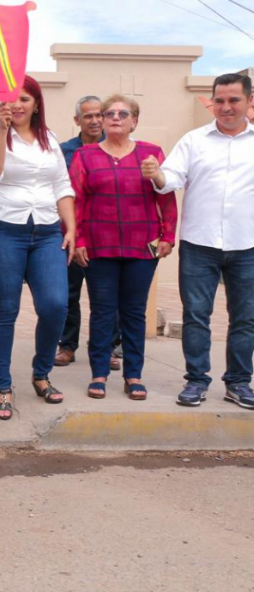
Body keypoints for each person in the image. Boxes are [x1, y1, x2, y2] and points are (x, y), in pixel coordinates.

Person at [142, 73, 254, 410]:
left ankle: (238, 382)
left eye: (233, 100)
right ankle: (196, 381)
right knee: (196, 316)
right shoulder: (194, 140)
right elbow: (170, 178)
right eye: (219, 100)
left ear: (249, 101)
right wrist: (157, 173)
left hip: (247, 245)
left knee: (246, 318)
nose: (225, 107)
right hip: (199, 244)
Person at [0, 76, 75, 420]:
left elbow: (62, 184)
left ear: (36, 104)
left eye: (25, 99)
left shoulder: (50, 140)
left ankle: (41, 373)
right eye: (11, 99)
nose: (18, 105)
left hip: (47, 232)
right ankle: (3, 386)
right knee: (4, 311)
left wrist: (71, 227)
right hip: (2, 229)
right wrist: (1, 131)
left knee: (55, 305)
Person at [71, 95, 176, 400]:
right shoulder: (85, 155)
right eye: (109, 113)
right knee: (102, 311)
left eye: (123, 113)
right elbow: (76, 201)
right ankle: (99, 373)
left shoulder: (151, 154)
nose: (115, 117)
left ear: (134, 121)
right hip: (98, 246)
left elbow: (165, 195)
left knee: (133, 312)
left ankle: (133, 375)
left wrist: (168, 235)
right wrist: (77, 240)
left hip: (141, 247)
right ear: (101, 120)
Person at [55, 96, 119, 368]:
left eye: (98, 115)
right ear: (77, 120)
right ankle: (67, 346)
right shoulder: (63, 151)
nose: (94, 120)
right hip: (70, 232)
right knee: (68, 293)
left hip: (105, 234)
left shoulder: (117, 148)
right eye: (87, 116)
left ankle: (109, 348)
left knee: (107, 295)